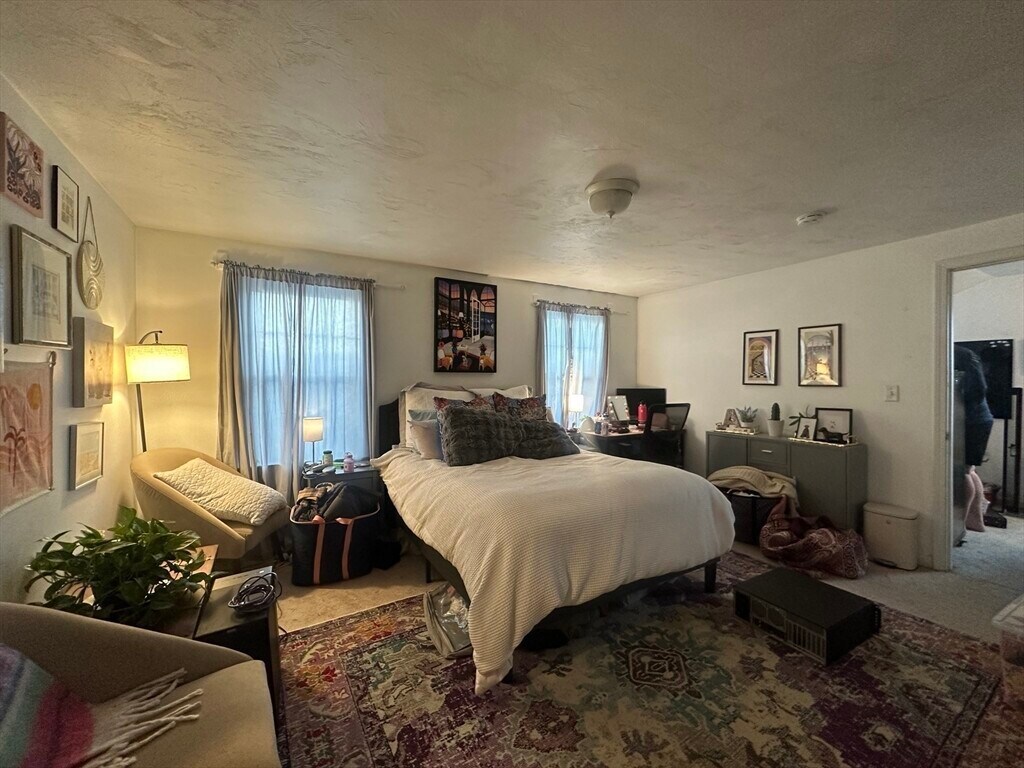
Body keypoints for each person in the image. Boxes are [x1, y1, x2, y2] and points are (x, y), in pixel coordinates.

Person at [954, 345, 994, 532]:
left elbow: (975, 391)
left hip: (973, 422)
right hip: (979, 420)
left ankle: (958, 526)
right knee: (970, 470)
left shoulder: (957, 355)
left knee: (962, 472)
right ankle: (975, 521)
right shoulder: (966, 355)